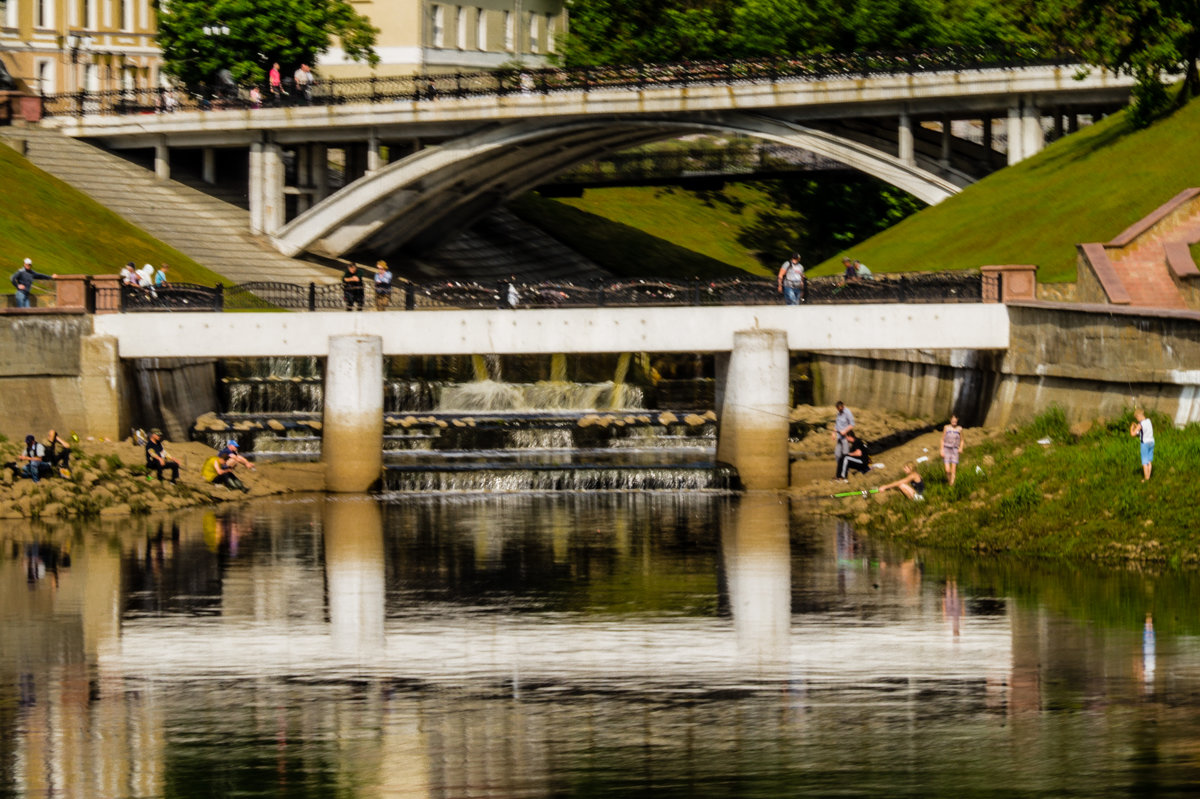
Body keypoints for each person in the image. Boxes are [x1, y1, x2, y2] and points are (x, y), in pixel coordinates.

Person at [831, 400, 855, 478]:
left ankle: (845, 473)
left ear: (843, 406)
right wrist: (834, 432)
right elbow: (837, 425)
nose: (839, 410)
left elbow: (852, 424)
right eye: (838, 409)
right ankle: (840, 471)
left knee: (845, 456)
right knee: (837, 455)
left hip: (846, 438)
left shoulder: (847, 412)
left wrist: (845, 431)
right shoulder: (839, 413)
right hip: (839, 437)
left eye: (840, 409)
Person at [1131, 408, 1154, 481]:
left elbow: (1133, 434)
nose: (1137, 419)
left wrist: (1132, 428)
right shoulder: (1149, 421)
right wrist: (1137, 427)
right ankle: (1149, 476)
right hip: (1152, 442)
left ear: (1139, 416)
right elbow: (1141, 432)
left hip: (1144, 444)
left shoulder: (1140, 424)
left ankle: (1146, 478)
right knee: (1149, 461)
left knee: (1144, 461)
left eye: (1137, 417)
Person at [940, 414, 964, 486]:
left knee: (953, 469)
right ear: (950, 420)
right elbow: (942, 439)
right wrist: (941, 450)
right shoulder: (946, 427)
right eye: (953, 420)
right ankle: (949, 480)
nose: (954, 421)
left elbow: (962, 440)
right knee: (947, 470)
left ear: (957, 420)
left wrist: (961, 448)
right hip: (946, 448)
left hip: (955, 449)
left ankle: (951, 485)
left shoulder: (960, 429)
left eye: (955, 420)